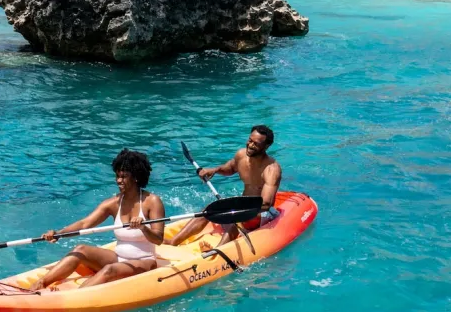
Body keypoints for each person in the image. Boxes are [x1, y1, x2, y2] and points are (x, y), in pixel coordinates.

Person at [31, 149, 166, 291]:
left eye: (124, 176)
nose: (119, 181)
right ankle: (41, 284)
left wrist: (143, 227)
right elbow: (85, 223)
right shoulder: (113, 203)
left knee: (109, 269)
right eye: (117, 176)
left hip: (144, 262)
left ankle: (74, 296)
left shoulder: (152, 202)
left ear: (136, 177)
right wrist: (58, 233)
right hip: (119, 257)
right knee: (80, 249)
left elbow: (158, 239)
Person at [171, 124, 282, 248]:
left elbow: (266, 204)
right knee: (210, 209)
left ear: (266, 146)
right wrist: (215, 170)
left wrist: (236, 210)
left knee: (233, 218)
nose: (250, 145)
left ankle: (216, 252)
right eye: (250, 140)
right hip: (243, 206)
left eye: (256, 144)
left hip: (261, 213)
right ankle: (173, 242)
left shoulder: (271, 169)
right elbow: (230, 168)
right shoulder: (241, 155)